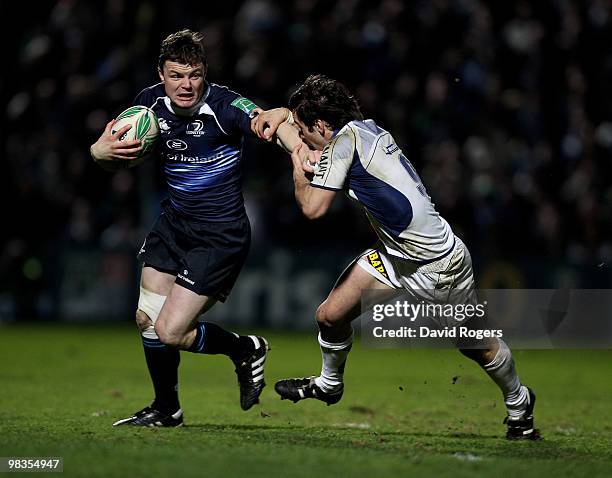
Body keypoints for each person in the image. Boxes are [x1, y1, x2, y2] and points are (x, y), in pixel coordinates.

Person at [252, 74, 539, 440]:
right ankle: (329, 384)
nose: (304, 137)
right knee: (329, 315)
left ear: (321, 125)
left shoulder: (343, 144)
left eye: (306, 129)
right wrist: (282, 116)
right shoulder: (363, 129)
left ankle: (519, 401)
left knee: (475, 345)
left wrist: (297, 167)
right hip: (395, 257)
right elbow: (305, 138)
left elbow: (312, 207)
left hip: (437, 266)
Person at [90, 29, 269, 427]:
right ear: (161, 74)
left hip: (219, 235)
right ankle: (166, 409)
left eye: (193, 75)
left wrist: (294, 141)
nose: (185, 85)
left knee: (170, 331)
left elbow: (266, 122)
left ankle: (244, 348)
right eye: (176, 75)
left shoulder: (225, 106)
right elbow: (121, 158)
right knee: (145, 318)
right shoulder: (147, 104)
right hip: (173, 225)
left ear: (205, 73)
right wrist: (98, 152)